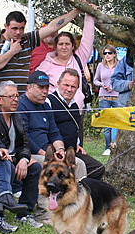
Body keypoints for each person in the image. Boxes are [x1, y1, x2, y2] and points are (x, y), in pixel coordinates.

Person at [17, 71, 88, 223]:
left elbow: (54, 132)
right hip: (29, 152)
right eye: (40, 88)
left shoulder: (45, 106)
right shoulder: (21, 106)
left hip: (48, 153)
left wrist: (60, 150)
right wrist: (45, 153)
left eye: (46, 88)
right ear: (29, 88)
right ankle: (44, 213)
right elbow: (24, 136)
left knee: (79, 164)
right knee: (46, 166)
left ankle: (74, 207)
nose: (44, 92)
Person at [0, 81, 43, 233]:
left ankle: (23, 214)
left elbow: (25, 145)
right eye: (11, 96)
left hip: (11, 158)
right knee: (4, 165)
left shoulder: (17, 118)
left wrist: (24, 159)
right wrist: (1, 151)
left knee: (34, 167)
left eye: (17, 96)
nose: (16, 99)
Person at [0, 7, 81, 92]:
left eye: (21, 28)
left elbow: (53, 26)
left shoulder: (27, 39)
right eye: (14, 28)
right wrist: (11, 52)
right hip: (1, 98)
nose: (18, 32)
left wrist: (77, 9)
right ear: (6, 26)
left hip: (21, 98)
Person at [47, 69, 105, 180]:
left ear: (77, 88)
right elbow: (48, 130)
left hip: (73, 150)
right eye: (66, 85)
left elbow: (75, 128)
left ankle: (84, 194)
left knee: (97, 168)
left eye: (73, 87)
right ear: (58, 84)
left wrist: (77, 143)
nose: (69, 89)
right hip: (57, 152)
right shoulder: (49, 102)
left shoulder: (75, 105)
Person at [37, 3, 96, 109]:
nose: (64, 47)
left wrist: (89, 13)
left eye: (67, 44)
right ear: (56, 46)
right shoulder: (46, 64)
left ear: (73, 46)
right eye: (61, 44)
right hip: (52, 113)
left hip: (75, 113)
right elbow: (37, 86)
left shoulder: (79, 58)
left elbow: (88, 38)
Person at [93, 44, 120, 156]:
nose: (107, 55)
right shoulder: (100, 65)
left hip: (117, 96)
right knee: (106, 123)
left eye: (109, 53)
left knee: (118, 122)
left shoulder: (119, 65)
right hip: (103, 96)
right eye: (105, 53)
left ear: (114, 54)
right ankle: (108, 147)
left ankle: (117, 145)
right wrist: (102, 85)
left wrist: (116, 86)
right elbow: (95, 80)